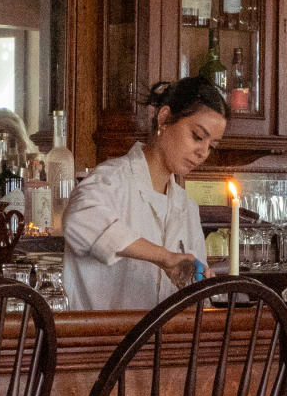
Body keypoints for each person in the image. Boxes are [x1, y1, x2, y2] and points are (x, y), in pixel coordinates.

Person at [61, 76, 226, 311]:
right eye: (198, 136)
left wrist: (197, 286)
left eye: (212, 146)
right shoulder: (110, 179)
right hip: (101, 344)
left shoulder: (187, 208)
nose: (203, 153)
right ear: (165, 118)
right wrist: (165, 258)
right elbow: (79, 221)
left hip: (166, 346)